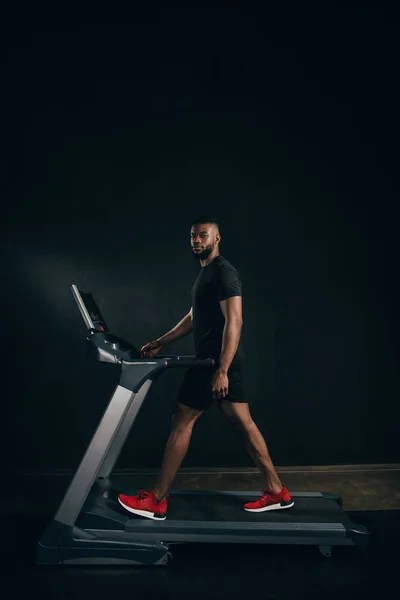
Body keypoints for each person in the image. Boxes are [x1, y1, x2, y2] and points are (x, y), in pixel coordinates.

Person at [118, 216, 293, 520]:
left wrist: (221, 369)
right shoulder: (206, 275)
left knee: (181, 421)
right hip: (220, 362)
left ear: (217, 239)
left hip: (215, 363)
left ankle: (157, 500)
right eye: (193, 237)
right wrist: (162, 341)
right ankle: (277, 490)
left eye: (203, 236)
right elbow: (192, 317)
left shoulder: (224, 273)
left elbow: (235, 320)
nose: (197, 241)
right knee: (243, 423)